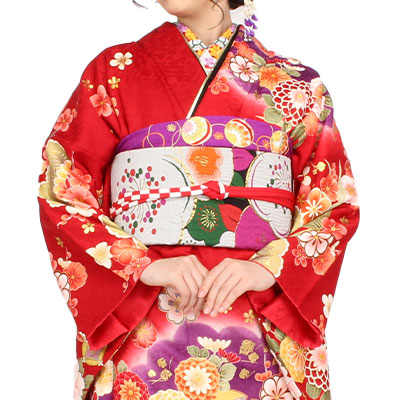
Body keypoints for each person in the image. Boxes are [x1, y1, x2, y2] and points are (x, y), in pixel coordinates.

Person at [37, 0, 360, 399]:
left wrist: (269, 268)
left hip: (256, 316)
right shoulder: (113, 73)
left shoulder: (298, 87)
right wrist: (140, 264)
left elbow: (333, 203)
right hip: (146, 317)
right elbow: (62, 184)